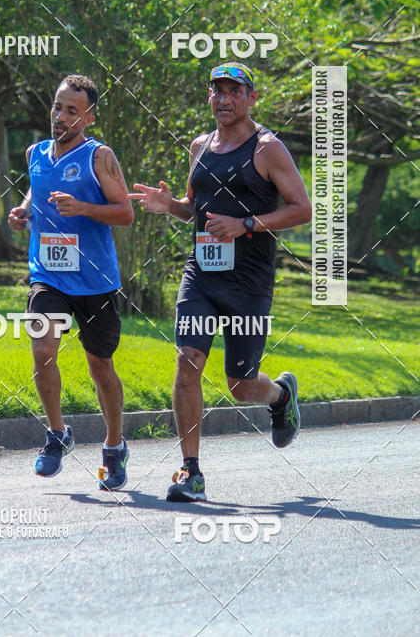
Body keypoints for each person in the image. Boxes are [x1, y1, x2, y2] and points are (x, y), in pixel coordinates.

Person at [129, 63, 312, 502]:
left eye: (235, 91)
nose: (225, 99)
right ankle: (190, 471)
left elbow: (302, 209)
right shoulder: (199, 146)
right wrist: (168, 204)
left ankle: (280, 395)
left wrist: (246, 223)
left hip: (249, 281)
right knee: (187, 361)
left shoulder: (267, 148)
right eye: (218, 91)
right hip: (201, 275)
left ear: (251, 97)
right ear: (210, 97)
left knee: (240, 385)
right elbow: (197, 210)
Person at [8, 74, 134, 490]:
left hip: (95, 280)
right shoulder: (35, 152)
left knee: (100, 366)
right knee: (43, 349)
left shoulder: (100, 157)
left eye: (71, 111)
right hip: (48, 276)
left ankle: (115, 447)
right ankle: (57, 435)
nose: (60, 117)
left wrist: (82, 207)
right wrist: (25, 211)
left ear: (89, 117)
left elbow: (124, 213)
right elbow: (37, 189)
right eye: (58, 107)